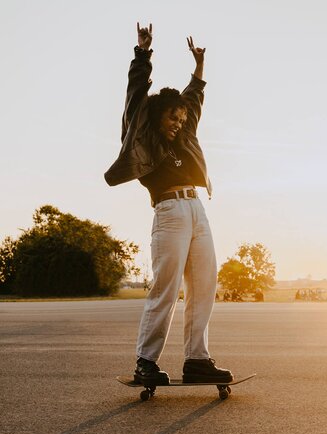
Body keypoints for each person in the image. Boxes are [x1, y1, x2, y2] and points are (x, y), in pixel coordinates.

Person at [105, 23, 232, 386]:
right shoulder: (144, 136)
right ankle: (146, 361)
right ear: (156, 116)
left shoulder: (186, 136)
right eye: (171, 117)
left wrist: (199, 69)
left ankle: (197, 359)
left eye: (181, 118)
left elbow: (193, 99)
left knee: (205, 283)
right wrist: (143, 53)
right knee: (166, 286)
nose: (178, 122)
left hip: (197, 209)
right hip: (169, 212)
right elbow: (135, 96)